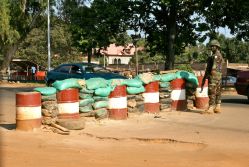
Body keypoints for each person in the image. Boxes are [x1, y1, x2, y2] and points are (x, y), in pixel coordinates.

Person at [201, 39, 224, 114]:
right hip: (219, 77)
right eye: (211, 46)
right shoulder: (218, 56)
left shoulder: (216, 56)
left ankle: (211, 107)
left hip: (214, 77)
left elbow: (213, 68)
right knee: (218, 91)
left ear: (217, 47)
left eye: (213, 46)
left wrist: (209, 76)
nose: (211, 48)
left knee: (212, 91)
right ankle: (217, 106)